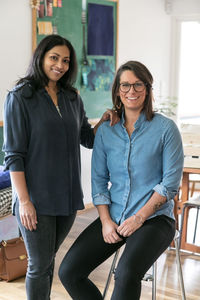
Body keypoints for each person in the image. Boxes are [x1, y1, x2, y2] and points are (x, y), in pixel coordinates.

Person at [2, 34, 118, 300]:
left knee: (48, 262)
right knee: (38, 265)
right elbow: (13, 156)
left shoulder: (71, 97)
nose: (60, 65)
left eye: (65, 60)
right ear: (41, 57)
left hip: (66, 199)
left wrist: (102, 120)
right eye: (54, 58)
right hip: (36, 200)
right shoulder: (20, 97)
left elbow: (87, 138)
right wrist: (25, 201)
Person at [58, 60, 184, 300]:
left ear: (147, 89)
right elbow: (98, 181)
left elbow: (169, 184)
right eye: (125, 85)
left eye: (138, 85)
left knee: (125, 274)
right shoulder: (107, 129)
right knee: (69, 272)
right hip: (114, 216)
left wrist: (138, 218)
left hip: (154, 220)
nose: (131, 91)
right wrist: (105, 221)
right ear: (117, 90)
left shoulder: (166, 129)